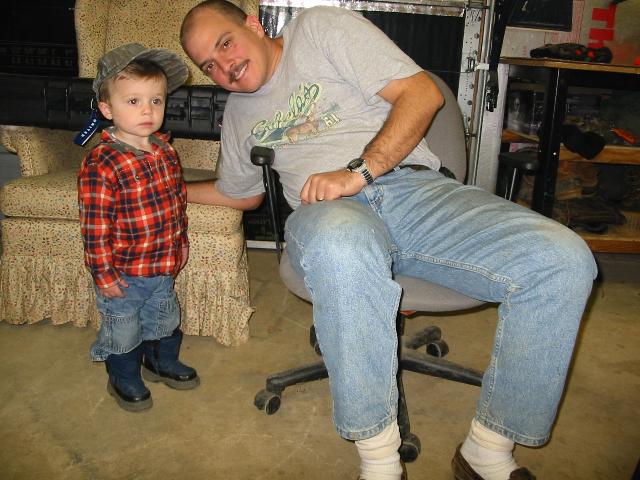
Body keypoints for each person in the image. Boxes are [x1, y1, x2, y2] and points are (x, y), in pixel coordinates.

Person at [180, 2, 598, 479]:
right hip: (328, 214)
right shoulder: (237, 113)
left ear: (254, 25)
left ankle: (487, 450)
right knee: (344, 246)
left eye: (225, 44)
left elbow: (421, 93)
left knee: (563, 260)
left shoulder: (318, 29)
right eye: (208, 66)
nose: (224, 67)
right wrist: (164, 185)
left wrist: (359, 171)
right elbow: (239, 194)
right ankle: (380, 463)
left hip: (414, 190)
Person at [78, 43, 200, 413]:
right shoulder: (102, 162)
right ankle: (123, 375)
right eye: (133, 101)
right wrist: (103, 274)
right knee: (124, 327)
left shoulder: (165, 151)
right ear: (107, 109)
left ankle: (160, 361)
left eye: (155, 100)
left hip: (162, 264)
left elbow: (176, 202)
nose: (147, 110)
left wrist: (180, 242)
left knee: (164, 317)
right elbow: (94, 226)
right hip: (123, 273)